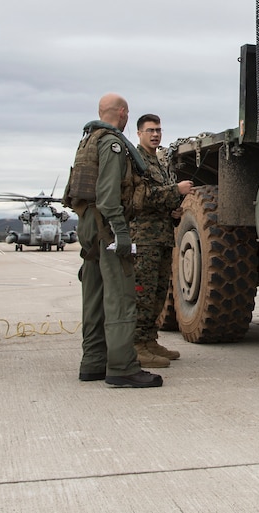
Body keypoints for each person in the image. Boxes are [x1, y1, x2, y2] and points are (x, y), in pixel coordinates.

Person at [65, 93, 162, 388]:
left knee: (93, 295)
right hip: (106, 226)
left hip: (87, 225)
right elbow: (108, 196)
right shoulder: (112, 143)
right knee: (120, 295)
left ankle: (93, 361)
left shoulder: (88, 141)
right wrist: (120, 232)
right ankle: (122, 367)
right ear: (122, 113)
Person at [130, 113, 193, 368]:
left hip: (163, 237)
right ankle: (136, 346)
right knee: (142, 295)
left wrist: (174, 211)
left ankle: (149, 341)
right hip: (144, 239)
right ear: (139, 133)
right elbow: (141, 197)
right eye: (150, 130)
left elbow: (161, 199)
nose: (155, 134)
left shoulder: (160, 162)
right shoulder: (135, 162)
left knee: (157, 295)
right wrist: (175, 190)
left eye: (158, 130)